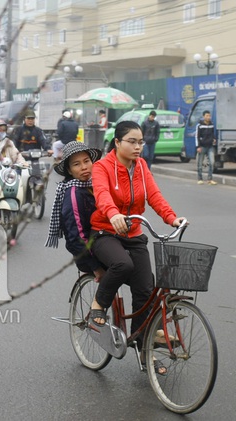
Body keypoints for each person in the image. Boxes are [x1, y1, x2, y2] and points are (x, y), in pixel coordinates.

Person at [90, 120, 186, 373]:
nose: (138, 147)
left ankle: (143, 349)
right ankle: (98, 307)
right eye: (132, 141)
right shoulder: (102, 167)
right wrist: (112, 214)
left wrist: (172, 217)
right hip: (105, 232)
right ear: (117, 142)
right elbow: (102, 194)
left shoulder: (141, 166)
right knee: (123, 264)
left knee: (146, 290)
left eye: (141, 142)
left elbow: (153, 195)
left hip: (133, 234)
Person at [45, 142, 104, 280]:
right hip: (90, 255)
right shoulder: (74, 193)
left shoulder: (94, 185)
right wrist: (95, 267)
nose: (84, 167)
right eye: (76, 164)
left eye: (87, 161)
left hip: (103, 242)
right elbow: (75, 237)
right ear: (70, 170)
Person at [196, 110, 217, 185]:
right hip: (202, 146)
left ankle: (210, 179)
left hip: (210, 146)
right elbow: (197, 136)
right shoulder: (199, 125)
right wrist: (198, 146)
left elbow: (212, 134)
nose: (208, 117)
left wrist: (214, 139)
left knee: (212, 162)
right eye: (207, 116)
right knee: (200, 163)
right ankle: (200, 178)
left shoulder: (212, 124)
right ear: (203, 116)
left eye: (209, 116)